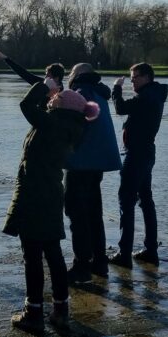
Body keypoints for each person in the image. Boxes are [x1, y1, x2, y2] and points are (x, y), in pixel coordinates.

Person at [2, 79, 97, 333]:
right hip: (51, 192)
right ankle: (60, 311)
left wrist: (44, 85)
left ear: (62, 105)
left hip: (35, 193)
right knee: (53, 252)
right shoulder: (69, 126)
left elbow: (25, 105)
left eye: (56, 98)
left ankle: (33, 313)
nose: (51, 99)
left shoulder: (52, 123)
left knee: (32, 255)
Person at [63, 63, 121, 284]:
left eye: (71, 73)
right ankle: (99, 262)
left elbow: (69, 128)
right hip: (98, 164)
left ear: (77, 75)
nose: (69, 76)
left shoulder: (79, 94)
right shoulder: (100, 93)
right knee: (94, 213)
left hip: (79, 163)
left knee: (76, 213)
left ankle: (81, 265)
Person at [109, 62, 168, 268]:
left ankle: (124, 254)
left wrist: (116, 88)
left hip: (136, 155)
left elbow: (120, 108)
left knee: (126, 202)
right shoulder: (154, 94)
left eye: (134, 78)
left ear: (146, 77)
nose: (132, 81)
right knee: (146, 201)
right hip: (147, 153)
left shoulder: (146, 97)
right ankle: (150, 250)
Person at [0, 48, 64, 90]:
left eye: (48, 76)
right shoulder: (42, 83)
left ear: (56, 78)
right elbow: (23, 73)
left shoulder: (60, 92)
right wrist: (6, 58)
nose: (45, 78)